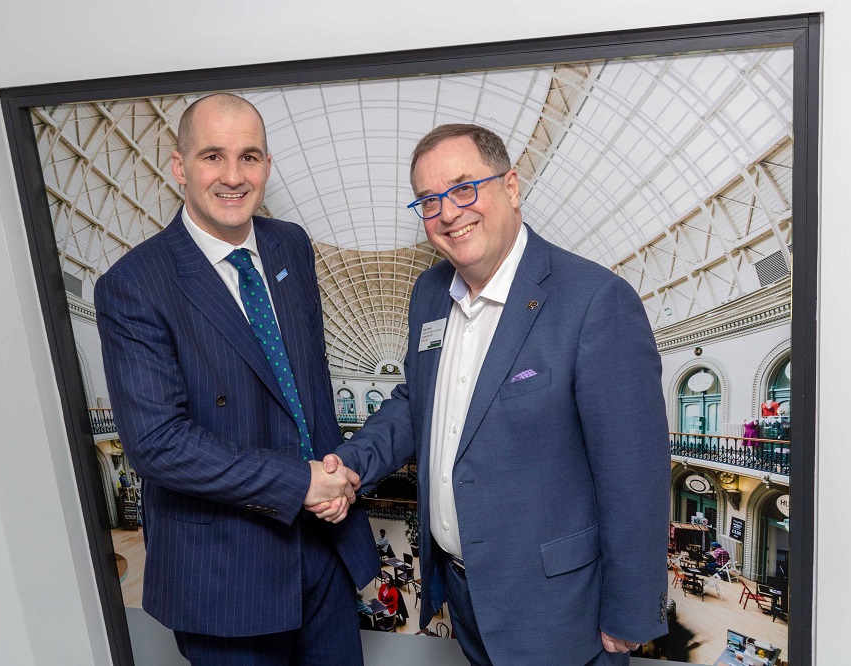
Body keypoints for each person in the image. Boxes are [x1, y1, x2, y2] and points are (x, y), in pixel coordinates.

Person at [312, 123, 670, 665]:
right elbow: (418, 403)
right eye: (429, 201)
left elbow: (634, 472)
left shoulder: (595, 301)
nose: (449, 212)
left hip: (559, 609)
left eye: (463, 188)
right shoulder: (430, 294)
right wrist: (353, 464)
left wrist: (630, 611)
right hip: (466, 598)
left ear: (511, 187)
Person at [95, 93, 379, 665]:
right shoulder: (134, 285)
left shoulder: (289, 246)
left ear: (267, 166)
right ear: (179, 165)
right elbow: (159, 446)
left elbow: (308, 388)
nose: (232, 176)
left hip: (322, 548)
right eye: (212, 157)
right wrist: (298, 483)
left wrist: (332, 480)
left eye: (249, 157)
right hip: (225, 575)